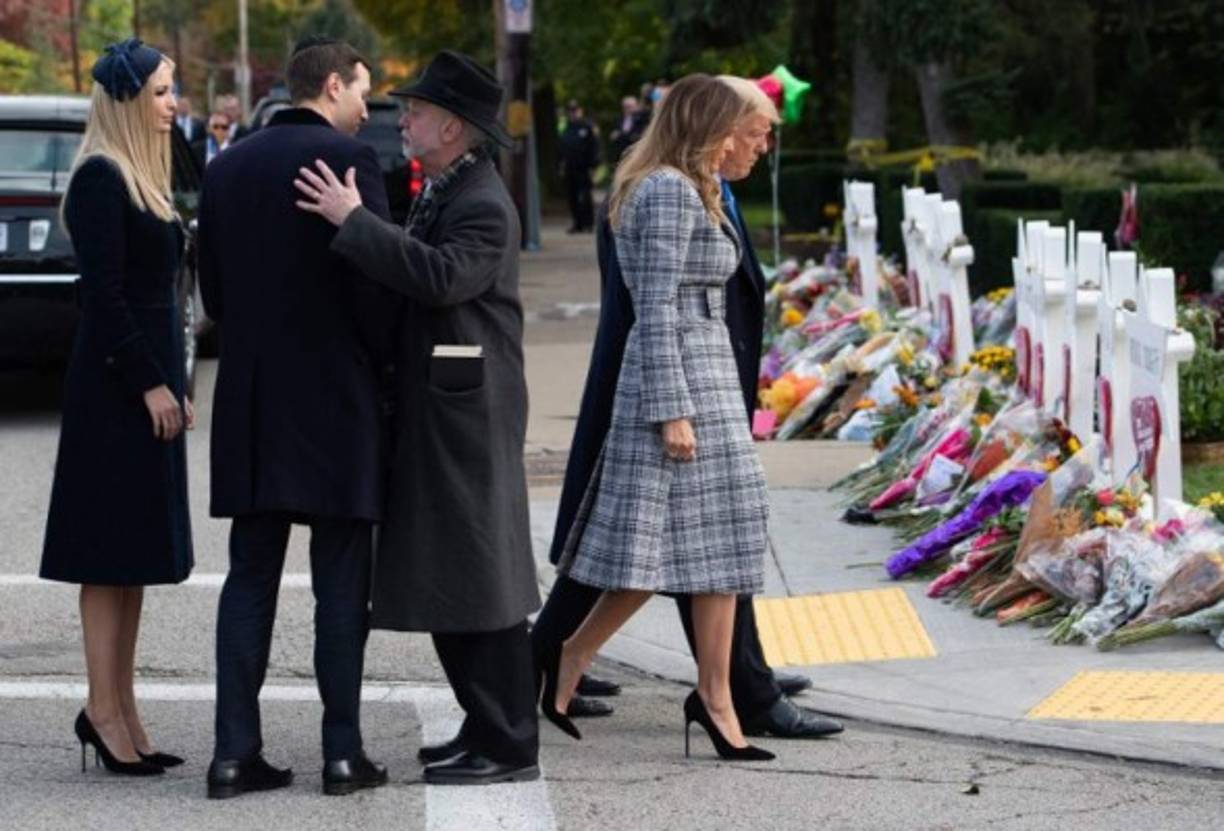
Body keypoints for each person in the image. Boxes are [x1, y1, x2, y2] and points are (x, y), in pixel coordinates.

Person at [532, 76, 845, 740]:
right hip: (687, 386)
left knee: (716, 542)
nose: (754, 143)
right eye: (746, 129)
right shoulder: (670, 191)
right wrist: (673, 409)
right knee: (649, 550)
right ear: (711, 124)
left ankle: (719, 693)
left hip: (709, 381)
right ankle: (577, 655)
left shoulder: (691, 186)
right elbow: (656, 311)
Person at [293, 50, 541, 786]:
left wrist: (354, 220)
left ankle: (508, 741)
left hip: (467, 412)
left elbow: (441, 279)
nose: (405, 119)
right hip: (446, 407)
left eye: (420, 111)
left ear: (455, 128)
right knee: (455, 573)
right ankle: (484, 725)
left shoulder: (483, 202)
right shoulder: (451, 184)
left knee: (481, 575)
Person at [198, 36, 393, 799]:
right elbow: (376, 281)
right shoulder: (351, 161)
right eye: (363, 92)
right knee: (341, 584)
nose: (367, 107)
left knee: (249, 577)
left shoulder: (229, 165)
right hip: (337, 397)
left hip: (251, 399)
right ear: (333, 84)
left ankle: (231, 752)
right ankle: (342, 754)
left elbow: (212, 293)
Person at [40, 38, 193, 777]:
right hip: (113, 394)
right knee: (106, 557)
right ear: (130, 99)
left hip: (146, 389)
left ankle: (122, 706)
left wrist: (177, 381)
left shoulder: (144, 176)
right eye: (163, 92)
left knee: (132, 555)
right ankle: (103, 709)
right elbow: (101, 301)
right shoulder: (101, 178)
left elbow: (161, 298)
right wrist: (149, 381)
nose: (174, 104)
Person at [559, 100, 599, 232]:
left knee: (585, 196)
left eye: (575, 110)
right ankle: (577, 223)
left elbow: (594, 147)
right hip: (570, 167)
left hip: (584, 167)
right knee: (572, 196)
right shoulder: (566, 127)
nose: (573, 113)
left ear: (580, 111)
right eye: (570, 111)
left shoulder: (587, 127)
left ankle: (588, 223)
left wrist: (593, 166)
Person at [608, 95, 648, 164]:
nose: (627, 109)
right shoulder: (620, 120)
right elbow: (613, 135)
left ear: (636, 106)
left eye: (630, 107)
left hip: (635, 153)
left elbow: (637, 136)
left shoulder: (641, 119)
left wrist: (621, 135)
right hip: (621, 154)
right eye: (625, 107)